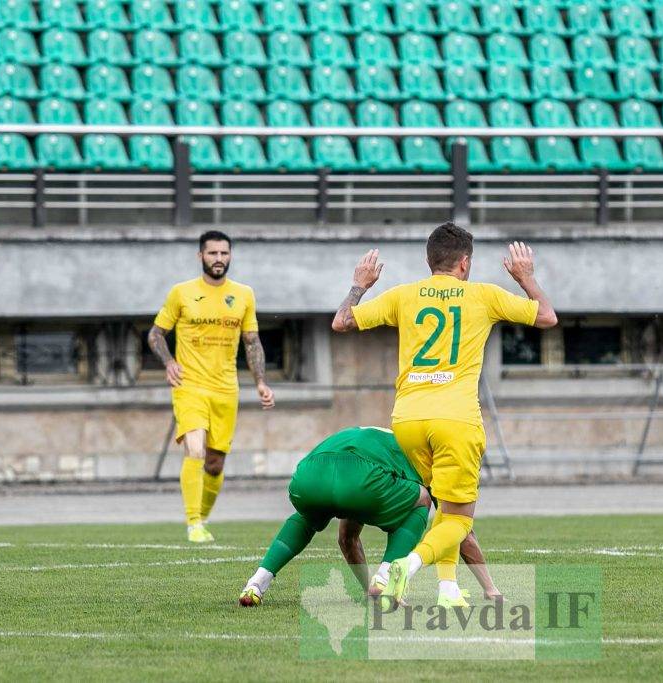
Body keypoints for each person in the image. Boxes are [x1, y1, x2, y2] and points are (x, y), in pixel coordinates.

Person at [331, 223, 557, 606]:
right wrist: (526, 278)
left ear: (428, 261)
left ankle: (449, 588)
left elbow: (342, 321)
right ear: (465, 263)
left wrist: (360, 285)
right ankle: (404, 566)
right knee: (458, 519)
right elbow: (547, 317)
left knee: (443, 508)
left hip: (408, 420)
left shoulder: (404, 295)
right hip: (456, 419)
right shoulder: (483, 296)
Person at [238, 426, 501, 607]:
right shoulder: (427, 459)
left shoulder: (387, 439)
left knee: (308, 516)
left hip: (310, 473)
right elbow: (460, 532)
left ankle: (257, 583)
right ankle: (386, 577)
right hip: (363, 477)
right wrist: (490, 588)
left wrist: (367, 590)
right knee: (421, 499)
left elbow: (347, 539)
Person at [148, 230, 275, 543]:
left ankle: (202, 519)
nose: (218, 259)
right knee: (195, 448)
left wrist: (260, 382)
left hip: (225, 389)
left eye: (224, 254)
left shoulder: (244, 294)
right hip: (189, 385)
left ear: (230, 256)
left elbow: (252, 340)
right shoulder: (181, 293)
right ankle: (193, 523)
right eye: (212, 253)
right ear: (200, 256)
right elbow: (154, 335)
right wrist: (168, 362)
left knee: (215, 463)